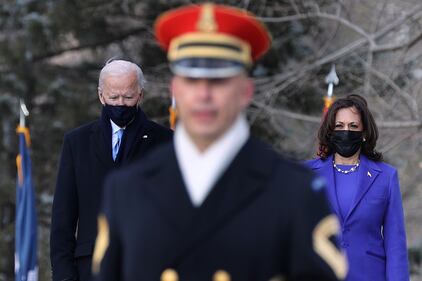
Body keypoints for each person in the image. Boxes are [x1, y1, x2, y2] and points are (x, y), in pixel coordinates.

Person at [92, 4, 347, 281]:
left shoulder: (295, 192)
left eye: (219, 81)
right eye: (192, 79)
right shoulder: (127, 191)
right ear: (175, 89)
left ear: (245, 90)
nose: (204, 94)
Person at [50, 59, 173, 281]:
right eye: (113, 97)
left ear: (140, 95)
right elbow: (63, 220)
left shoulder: (167, 142)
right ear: (101, 96)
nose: (120, 104)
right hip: (90, 270)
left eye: (128, 97)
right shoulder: (77, 143)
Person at [306, 94, 409, 281]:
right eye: (340, 126)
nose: (346, 131)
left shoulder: (386, 177)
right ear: (331, 131)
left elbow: (395, 245)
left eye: (353, 126)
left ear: (363, 133)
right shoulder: (306, 174)